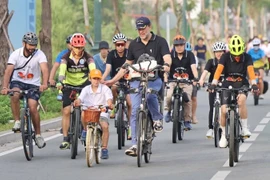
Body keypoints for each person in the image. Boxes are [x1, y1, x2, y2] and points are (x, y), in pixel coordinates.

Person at [104, 16, 171, 156]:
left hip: (154, 78)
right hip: (136, 79)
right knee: (134, 110)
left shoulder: (160, 41)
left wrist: (166, 65)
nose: (141, 31)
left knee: (150, 94)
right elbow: (126, 65)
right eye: (139, 29)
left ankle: (157, 118)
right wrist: (112, 81)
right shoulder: (133, 44)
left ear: (149, 27)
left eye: (143, 28)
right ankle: (134, 144)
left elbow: (167, 57)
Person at [1, 32, 49, 148]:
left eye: (34, 45)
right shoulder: (15, 54)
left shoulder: (39, 54)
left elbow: (44, 69)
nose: (32, 48)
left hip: (33, 84)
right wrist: (5, 87)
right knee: (15, 95)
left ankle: (38, 135)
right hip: (18, 82)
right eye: (30, 45)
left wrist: (44, 83)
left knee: (33, 107)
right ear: (24, 44)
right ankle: (17, 121)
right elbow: (8, 71)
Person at [208, 34, 257, 148]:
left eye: (239, 54)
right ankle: (224, 135)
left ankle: (244, 128)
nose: (237, 57)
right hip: (227, 83)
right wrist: (214, 83)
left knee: (241, 101)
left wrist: (254, 84)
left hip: (242, 84)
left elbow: (250, 71)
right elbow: (219, 70)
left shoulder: (247, 57)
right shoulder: (225, 57)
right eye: (234, 55)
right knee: (224, 110)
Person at [58, 33, 96, 149]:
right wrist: (60, 81)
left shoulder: (88, 57)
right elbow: (62, 70)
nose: (79, 50)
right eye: (76, 47)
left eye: (81, 47)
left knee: (85, 110)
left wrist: (94, 79)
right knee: (66, 110)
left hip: (84, 85)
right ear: (72, 46)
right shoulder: (65, 57)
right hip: (69, 85)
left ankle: (85, 131)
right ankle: (65, 139)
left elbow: (93, 69)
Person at [74, 69, 113, 159]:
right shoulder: (86, 89)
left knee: (105, 126)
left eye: (97, 78)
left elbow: (109, 99)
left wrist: (109, 104)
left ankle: (104, 148)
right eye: (94, 78)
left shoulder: (105, 89)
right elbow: (80, 98)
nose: (96, 80)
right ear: (90, 79)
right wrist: (77, 101)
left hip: (101, 112)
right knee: (83, 114)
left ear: (100, 80)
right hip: (89, 111)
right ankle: (84, 130)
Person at [165, 35, 199, 130]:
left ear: (184, 45)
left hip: (186, 82)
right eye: (177, 45)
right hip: (173, 81)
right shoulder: (171, 55)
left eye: (181, 45)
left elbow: (193, 67)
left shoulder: (190, 55)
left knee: (187, 99)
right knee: (168, 96)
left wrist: (196, 78)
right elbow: (167, 68)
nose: (179, 47)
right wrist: (165, 77)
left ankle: (187, 120)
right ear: (174, 46)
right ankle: (168, 111)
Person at [101, 33, 132, 138]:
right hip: (116, 80)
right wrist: (103, 78)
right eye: (118, 45)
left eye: (122, 45)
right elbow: (108, 68)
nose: (120, 47)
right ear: (115, 45)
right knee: (113, 88)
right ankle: (113, 107)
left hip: (128, 81)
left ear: (125, 44)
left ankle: (130, 127)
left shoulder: (129, 54)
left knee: (130, 103)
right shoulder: (111, 55)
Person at [198, 41, 226, 138]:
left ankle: (225, 127)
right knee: (212, 107)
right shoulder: (211, 62)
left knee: (225, 108)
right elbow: (205, 72)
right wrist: (201, 80)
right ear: (214, 53)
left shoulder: (227, 62)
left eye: (221, 51)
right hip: (212, 86)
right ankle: (210, 128)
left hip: (224, 86)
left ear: (224, 52)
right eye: (216, 51)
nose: (219, 53)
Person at [185, 42, 199, 124]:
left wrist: (195, 79)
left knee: (193, 97)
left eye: (189, 51)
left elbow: (194, 69)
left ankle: (193, 115)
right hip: (179, 79)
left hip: (191, 79)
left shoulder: (194, 58)